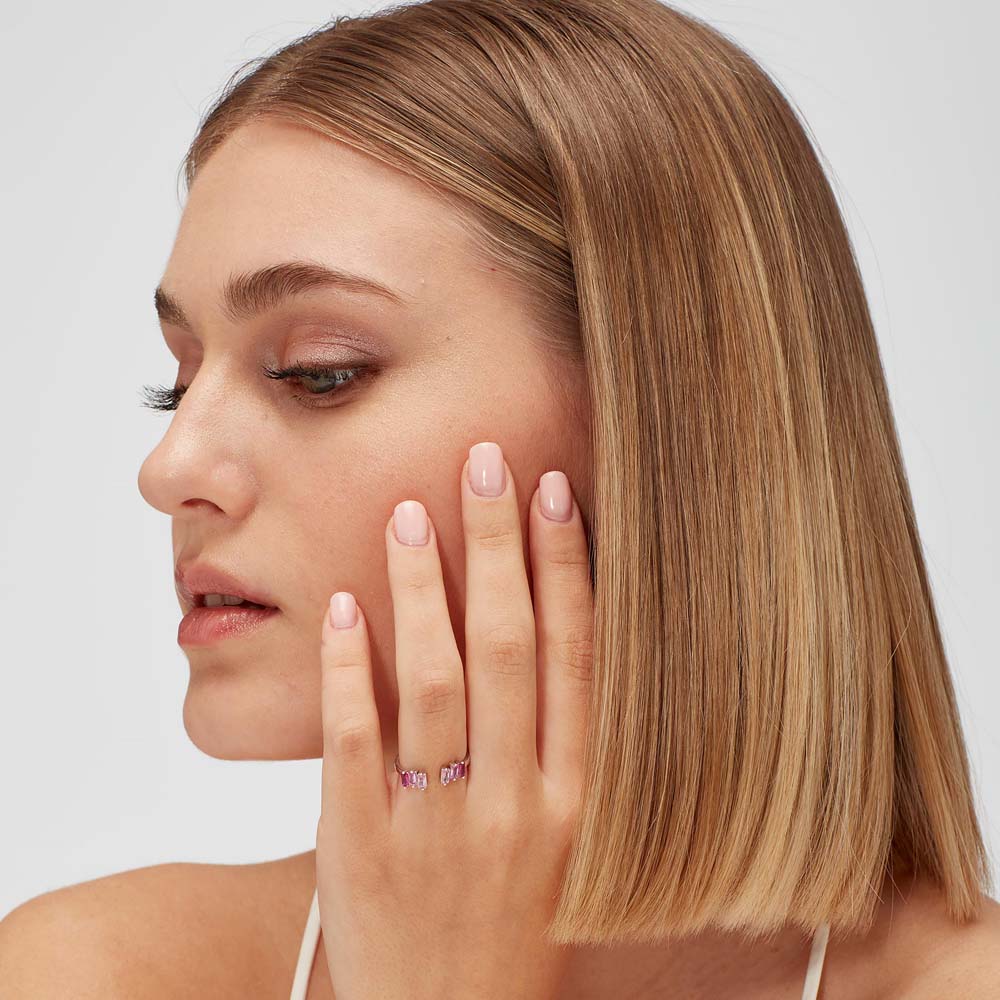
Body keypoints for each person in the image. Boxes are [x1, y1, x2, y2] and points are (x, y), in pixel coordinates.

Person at [2, 0, 997, 996]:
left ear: (664, 423)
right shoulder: (88, 972)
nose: (169, 467)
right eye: (176, 381)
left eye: (319, 370)